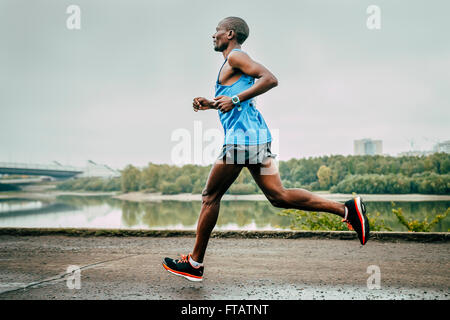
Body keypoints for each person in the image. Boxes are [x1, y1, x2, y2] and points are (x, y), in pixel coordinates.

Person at [162, 17, 370, 282]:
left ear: (229, 33)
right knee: (278, 196)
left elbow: (270, 79)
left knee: (210, 196)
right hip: (256, 137)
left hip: (242, 141)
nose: (212, 35)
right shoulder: (233, 64)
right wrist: (212, 104)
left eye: (216, 31)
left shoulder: (236, 57)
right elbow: (235, 100)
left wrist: (234, 98)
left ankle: (194, 264)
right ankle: (347, 210)